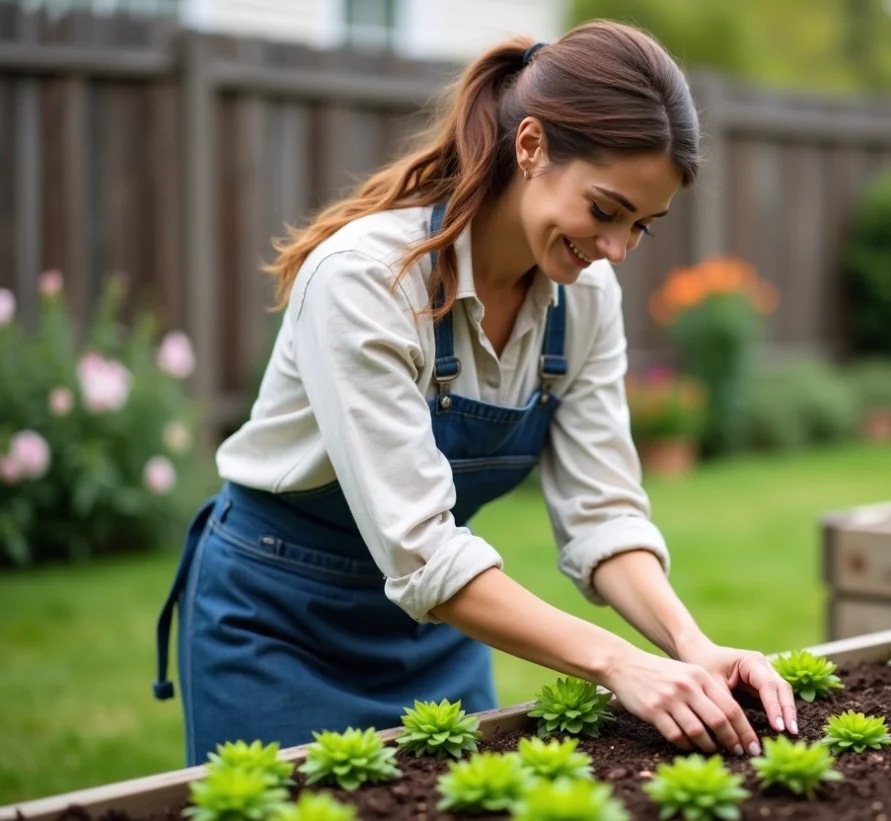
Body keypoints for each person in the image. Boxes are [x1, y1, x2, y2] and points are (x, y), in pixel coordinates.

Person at [152, 19, 798, 768]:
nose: (615, 250)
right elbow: (423, 550)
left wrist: (692, 645)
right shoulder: (366, 281)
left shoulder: (584, 301)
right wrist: (618, 662)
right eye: (606, 210)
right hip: (278, 623)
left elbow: (604, 515)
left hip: (442, 626)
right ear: (531, 148)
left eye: (641, 228)